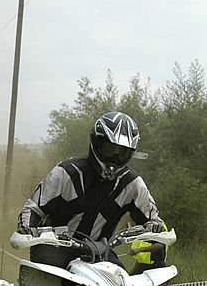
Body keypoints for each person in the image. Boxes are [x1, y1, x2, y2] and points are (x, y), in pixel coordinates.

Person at [16, 111, 166, 270]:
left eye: (122, 152)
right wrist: (26, 227)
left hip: (99, 251)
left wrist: (154, 227)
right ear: (97, 144)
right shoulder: (67, 172)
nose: (115, 158)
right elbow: (34, 207)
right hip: (55, 246)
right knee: (45, 278)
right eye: (110, 149)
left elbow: (153, 219)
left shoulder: (132, 183)